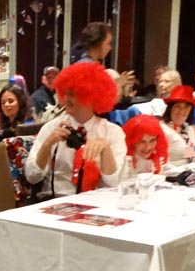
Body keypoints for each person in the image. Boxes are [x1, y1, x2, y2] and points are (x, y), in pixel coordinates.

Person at [23, 62, 126, 198]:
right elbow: (32, 176)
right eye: (64, 93)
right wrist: (47, 144)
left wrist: (106, 150)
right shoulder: (51, 129)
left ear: (91, 96)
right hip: (55, 200)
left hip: (96, 201)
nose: (66, 99)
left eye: (72, 94)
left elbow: (114, 182)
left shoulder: (112, 132)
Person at [160, 85, 195, 161]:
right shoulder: (161, 129)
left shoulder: (189, 129)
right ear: (170, 108)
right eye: (177, 106)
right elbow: (174, 153)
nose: (181, 111)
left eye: (186, 107)